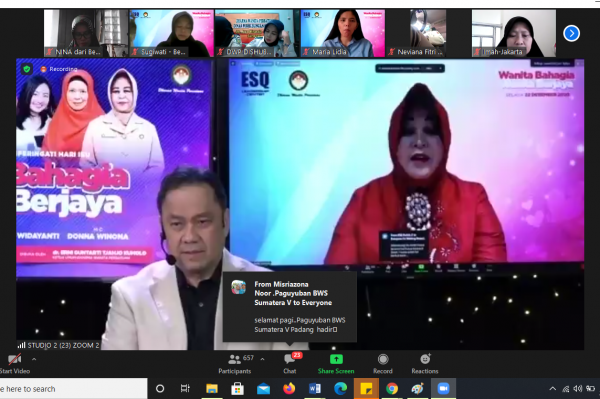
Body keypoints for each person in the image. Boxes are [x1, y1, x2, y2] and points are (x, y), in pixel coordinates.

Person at [101, 166, 309, 350]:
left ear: (225, 222)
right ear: (163, 228)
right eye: (177, 224)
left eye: (202, 222)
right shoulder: (130, 296)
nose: (190, 237)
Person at [324, 83, 507, 265]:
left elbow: (493, 278)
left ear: (445, 141)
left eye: (430, 131)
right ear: (394, 142)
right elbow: (336, 281)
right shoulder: (363, 200)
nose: (419, 142)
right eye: (409, 132)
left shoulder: (473, 199)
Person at [80, 69, 164, 176]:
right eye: (116, 91)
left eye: (127, 90)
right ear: (110, 95)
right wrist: (108, 181)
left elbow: (157, 166)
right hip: (105, 186)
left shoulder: (148, 128)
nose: (121, 96)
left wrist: (137, 183)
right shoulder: (95, 126)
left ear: (134, 93)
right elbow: (86, 164)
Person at [42, 70, 104, 157]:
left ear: (90, 93)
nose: (77, 97)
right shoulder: (56, 123)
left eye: (82, 91)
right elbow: (47, 157)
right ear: (65, 93)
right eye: (72, 91)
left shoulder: (103, 124)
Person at [16, 75, 56, 151]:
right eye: (35, 94)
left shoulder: (53, 124)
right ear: (26, 94)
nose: (40, 100)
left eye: (45, 95)